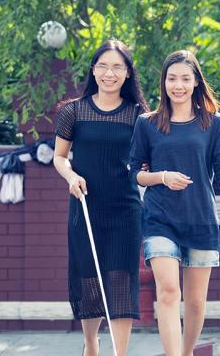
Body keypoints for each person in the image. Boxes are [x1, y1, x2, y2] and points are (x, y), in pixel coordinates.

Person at [128, 50, 220, 356]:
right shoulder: (147, 124)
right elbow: (134, 174)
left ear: (195, 83)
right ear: (163, 82)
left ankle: (187, 351)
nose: (177, 85)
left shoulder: (213, 123)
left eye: (185, 79)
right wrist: (162, 177)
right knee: (168, 292)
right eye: (172, 78)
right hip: (160, 219)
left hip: (200, 218)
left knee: (195, 301)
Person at [53, 39, 149, 356]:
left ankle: (120, 353)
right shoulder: (73, 111)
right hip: (85, 206)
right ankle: (92, 344)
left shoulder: (138, 116)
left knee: (121, 281)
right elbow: (60, 158)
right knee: (90, 279)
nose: (110, 73)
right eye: (104, 66)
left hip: (125, 210)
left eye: (117, 67)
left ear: (127, 73)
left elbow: (147, 161)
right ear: (94, 71)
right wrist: (71, 176)